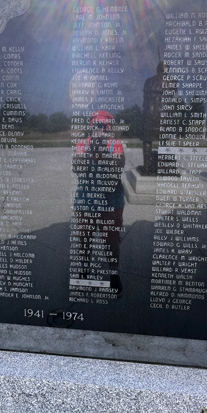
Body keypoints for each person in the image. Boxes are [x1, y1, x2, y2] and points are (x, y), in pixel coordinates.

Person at [72, 110, 125, 295]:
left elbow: (116, 171)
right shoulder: (82, 144)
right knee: (84, 238)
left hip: (111, 202)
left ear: (108, 128)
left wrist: (103, 153)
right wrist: (90, 152)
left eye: (103, 127)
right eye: (96, 126)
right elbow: (77, 168)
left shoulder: (115, 144)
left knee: (111, 241)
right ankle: (84, 270)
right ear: (91, 127)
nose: (99, 130)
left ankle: (113, 274)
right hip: (86, 200)